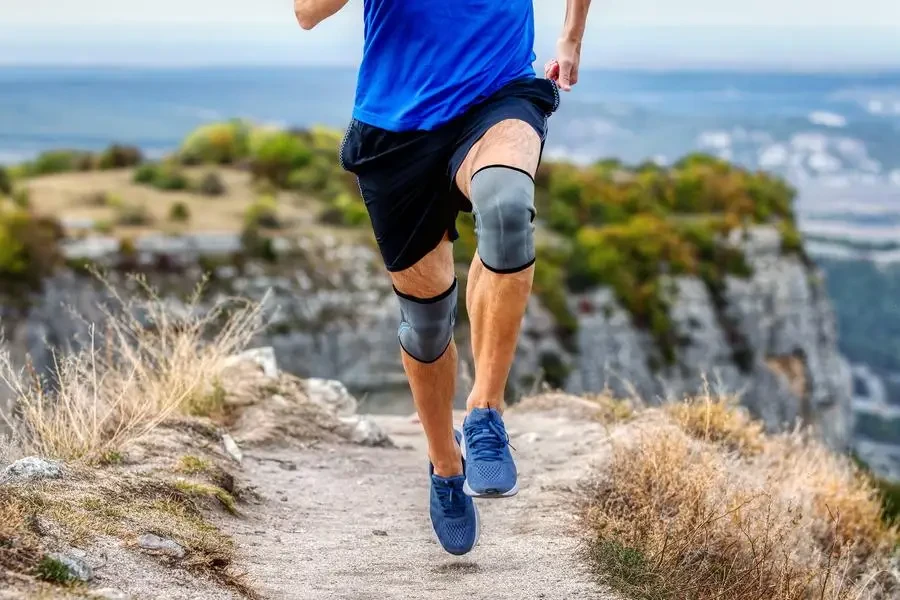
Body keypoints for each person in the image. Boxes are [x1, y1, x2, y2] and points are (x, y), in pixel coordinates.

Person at [295, 0, 592, 555]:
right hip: (395, 129)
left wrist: (571, 36)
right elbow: (307, 12)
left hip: (497, 94)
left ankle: (485, 411)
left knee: (505, 211)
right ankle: (445, 464)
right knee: (428, 322)